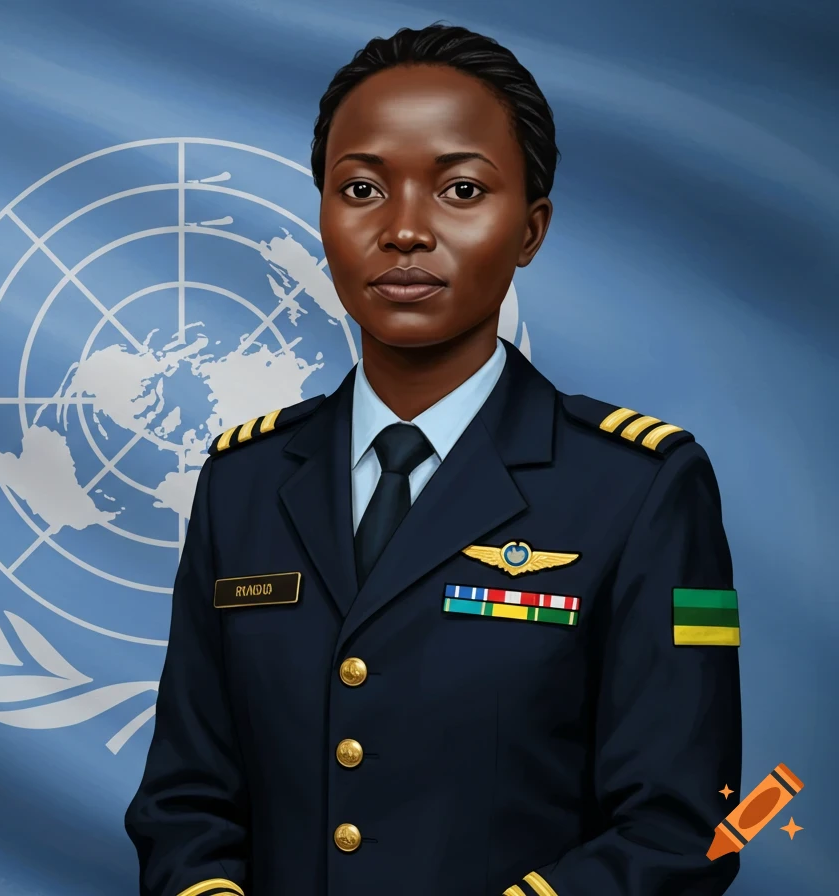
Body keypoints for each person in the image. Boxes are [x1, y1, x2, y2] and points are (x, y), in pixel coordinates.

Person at [124, 23, 742, 896]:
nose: (405, 230)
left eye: (459, 188)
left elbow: (684, 827)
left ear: (530, 229)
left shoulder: (641, 488)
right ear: (324, 218)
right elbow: (186, 800)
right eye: (362, 187)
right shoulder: (245, 482)